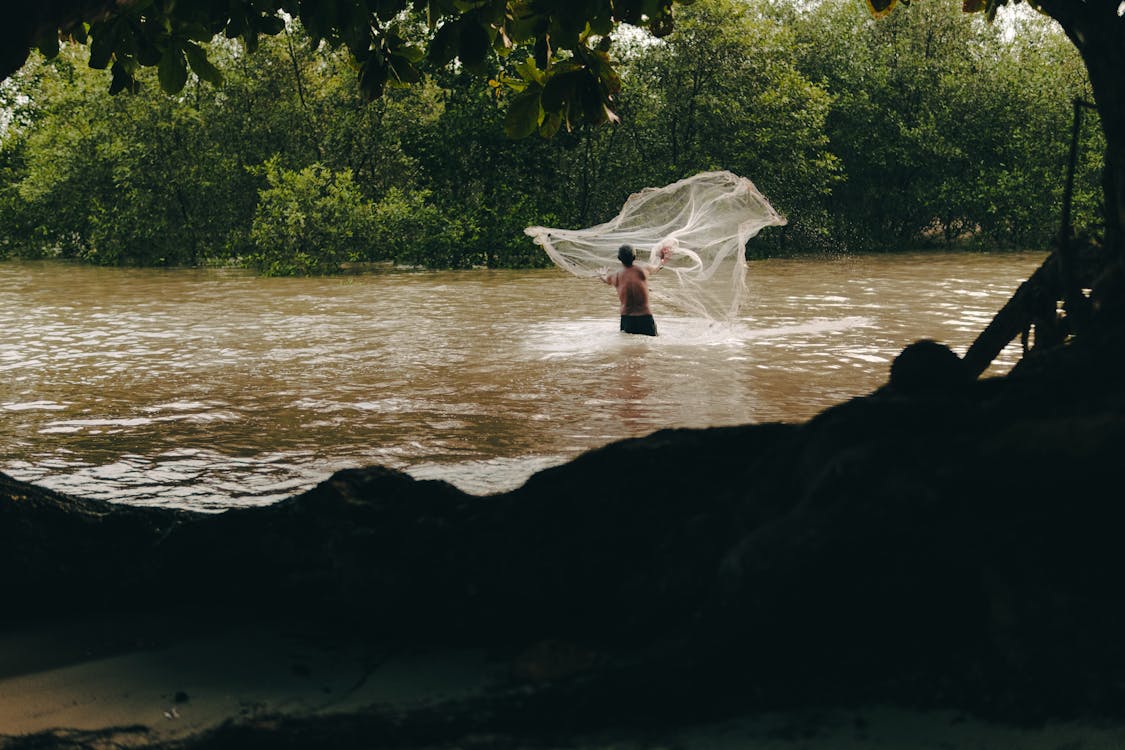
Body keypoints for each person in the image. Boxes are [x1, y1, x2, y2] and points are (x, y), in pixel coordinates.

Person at [600, 243, 671, 336]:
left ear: (619, 258)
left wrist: (603, 274)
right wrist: (663, 258)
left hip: (627, 319)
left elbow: (606, 280)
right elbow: (658, 267)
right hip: (645, 317)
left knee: (627, 348)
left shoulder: (615, 276)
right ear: (635, 257)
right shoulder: (642, 270)